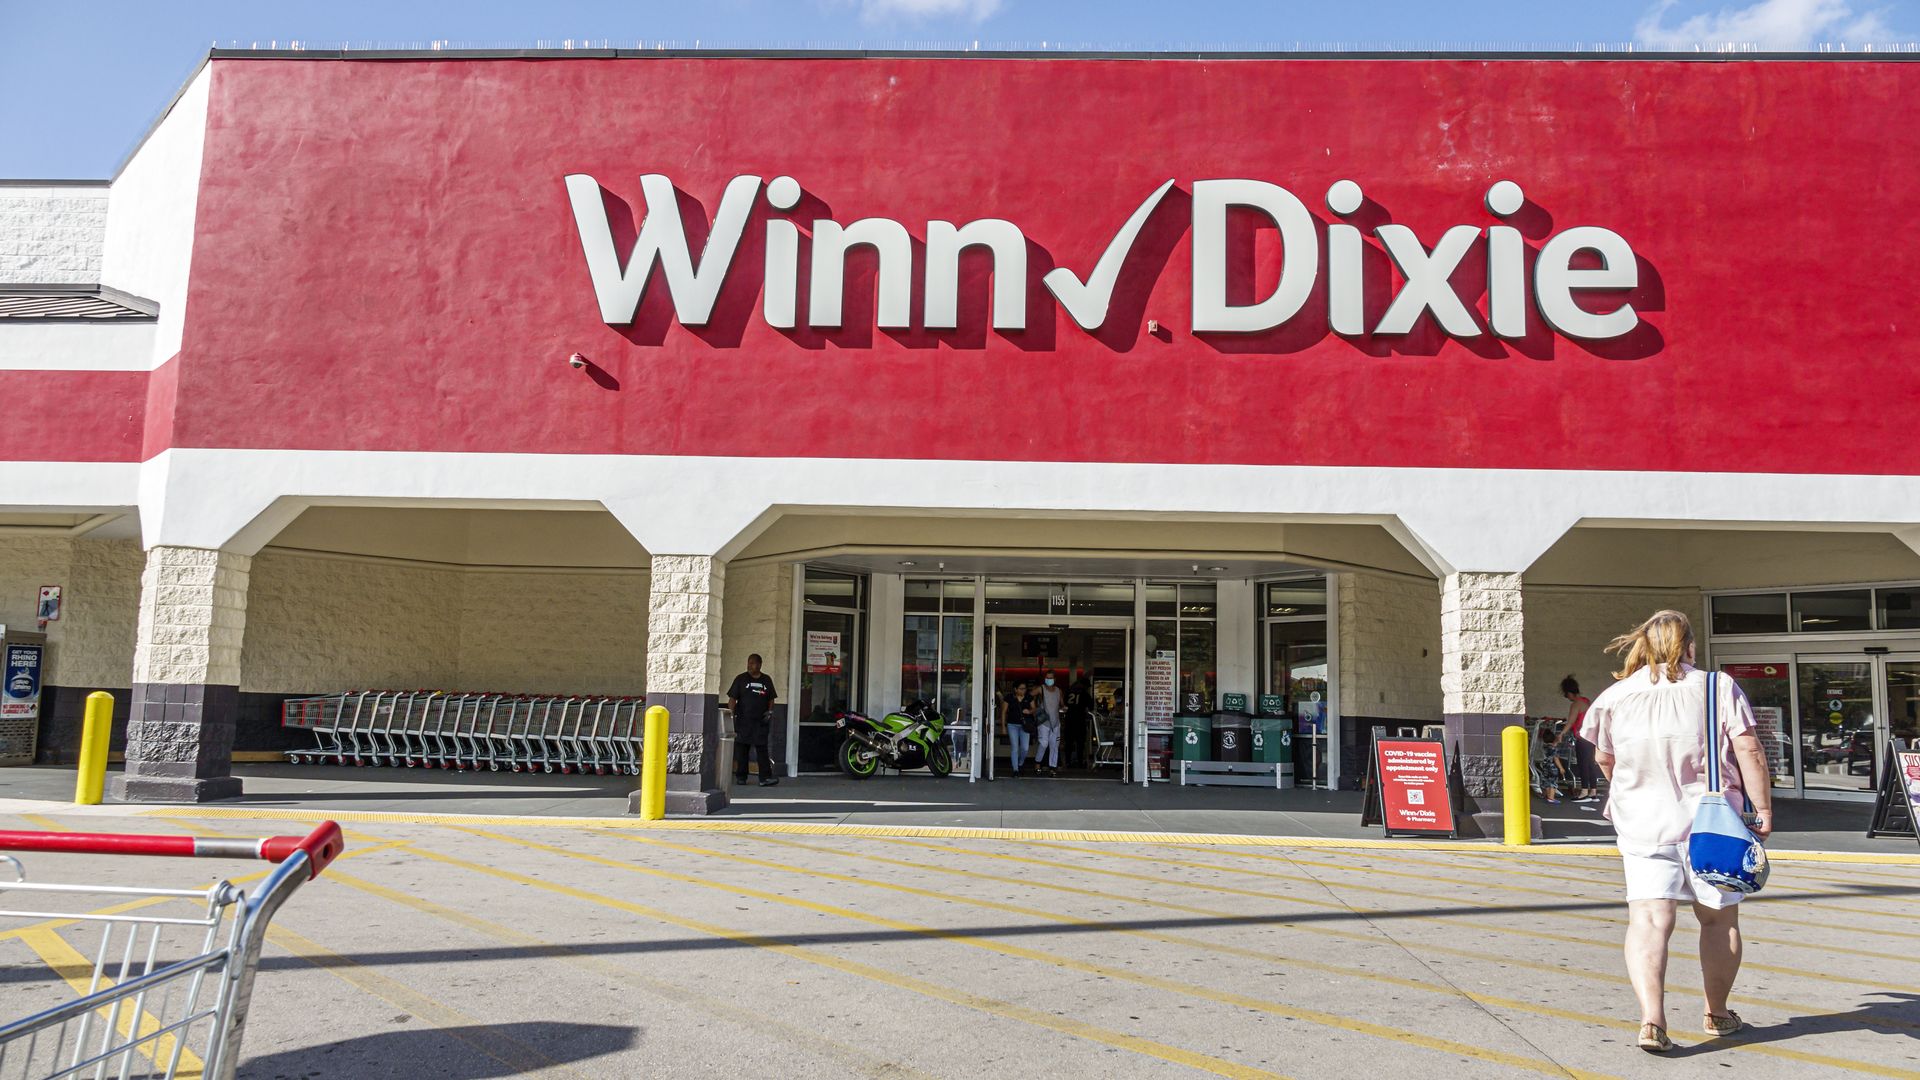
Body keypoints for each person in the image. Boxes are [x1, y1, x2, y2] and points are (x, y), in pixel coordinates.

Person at [1586, 610, 1773, 1053]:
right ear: (1690, 646)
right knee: (1718, 918)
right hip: (1713, 825)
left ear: (1643, 646)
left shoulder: (1615, 696)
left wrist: (1632, 790)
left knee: (1650, 919)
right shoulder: (1716, 687)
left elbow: (1604, 759)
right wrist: (1762, 808)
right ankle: (1717, 1013)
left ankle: (1652, 1019)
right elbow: (1748, 746)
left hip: (1642, 823)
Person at [726, 654, 780, 788]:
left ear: (760, 664)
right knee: (742, 749)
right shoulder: (741, 679)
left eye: (753, 663)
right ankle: (741, 777)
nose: (750, 665)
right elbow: (732, 698)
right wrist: (731, 715)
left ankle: (765, 778)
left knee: (762, 749)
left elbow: (771, 698)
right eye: (749, 663)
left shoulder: (766, 680)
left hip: (761, 721)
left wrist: (770, 712)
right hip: (743, 720)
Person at [1563, 674, 1601, 801]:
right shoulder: (1586, 701)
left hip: (1581, 736)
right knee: (1590, 763)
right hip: (1590, 736)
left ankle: (1584, 791)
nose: (1566, 697)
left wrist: (1560, 734)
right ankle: (1593, 791)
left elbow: (1570, 722)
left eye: (1566, 694)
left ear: (1569, 692)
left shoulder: (1576, 704)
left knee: (1583, 764)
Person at [1033, 671, 1064, 777]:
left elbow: (1061, 704)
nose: (1048, 680)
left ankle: (1052, 767)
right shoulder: (1040, 689)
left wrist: (1063, 708)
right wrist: (1034, 709)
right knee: (1044, 743)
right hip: (1044, 721)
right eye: (1047, 678)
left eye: (1050, 678)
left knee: (1054, 746)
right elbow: (1028, 697)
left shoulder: (1059, 691)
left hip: (1056, 722)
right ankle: (1037, 763)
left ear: (1055, 679)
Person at [1004, 682, 1032, 777]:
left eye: (1024, 688)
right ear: (1015, 689)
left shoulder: (1028, 697)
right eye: (1021, 688)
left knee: (1025, 748)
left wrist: (1030, 711)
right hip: (1012, 725)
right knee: (1015, 748)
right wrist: (1004, 727)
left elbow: (1035, 708)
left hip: (1025, 726)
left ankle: (1020, 763)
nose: (1023, 690)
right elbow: (1004, 711)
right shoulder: (1009, 697)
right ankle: (1015, 769)